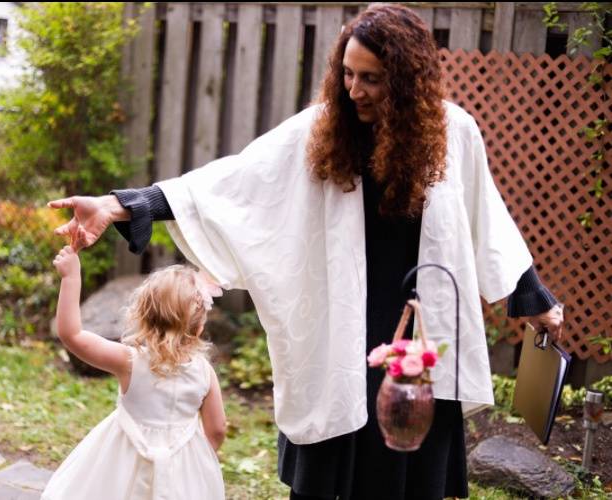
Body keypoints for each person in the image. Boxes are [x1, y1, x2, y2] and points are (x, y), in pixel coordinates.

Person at [49, 4, 564, 499]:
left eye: (372, 78)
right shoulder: (321, 130)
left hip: (415, 340)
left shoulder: (456, 134)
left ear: (407, 81)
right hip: (339, 333)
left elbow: (487, 222)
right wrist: (120, 206)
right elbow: (226, 184)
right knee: (332, 455)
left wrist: (534, 299)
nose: (354, 89)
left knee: (405, 468)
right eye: (348, 73)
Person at [42, 251, 227, 500]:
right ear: (200, 324)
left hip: (122, 459)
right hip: (182, 465)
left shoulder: (129, 361)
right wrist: (195, 460)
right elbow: (217, 430)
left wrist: (71, 277)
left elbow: (72, 335)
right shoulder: (205, 373)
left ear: (143, 312)